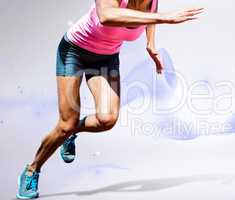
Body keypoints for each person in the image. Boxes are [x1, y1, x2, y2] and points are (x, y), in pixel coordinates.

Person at [16, 0, 203, 199]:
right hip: (74, 51)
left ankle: (71, 133)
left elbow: (150, 17)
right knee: (66, 124)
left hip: (106, 57)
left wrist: (151, 44)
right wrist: (165, 18)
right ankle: (32, 169)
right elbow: (107, 16)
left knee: (107, 119)